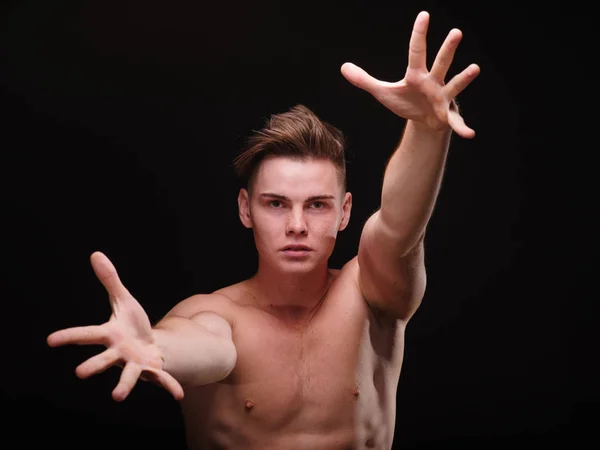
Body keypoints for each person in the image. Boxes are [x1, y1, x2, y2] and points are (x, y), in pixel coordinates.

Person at [47, 11, 480, 450]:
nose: (296, 225)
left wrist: (427, 131)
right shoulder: (215, 316)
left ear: (345, 212)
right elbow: (207, 349)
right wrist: (156, 348)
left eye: (317, 205)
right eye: (276, 204)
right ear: (245, 209)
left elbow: (400, 226)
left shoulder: (372, 296)